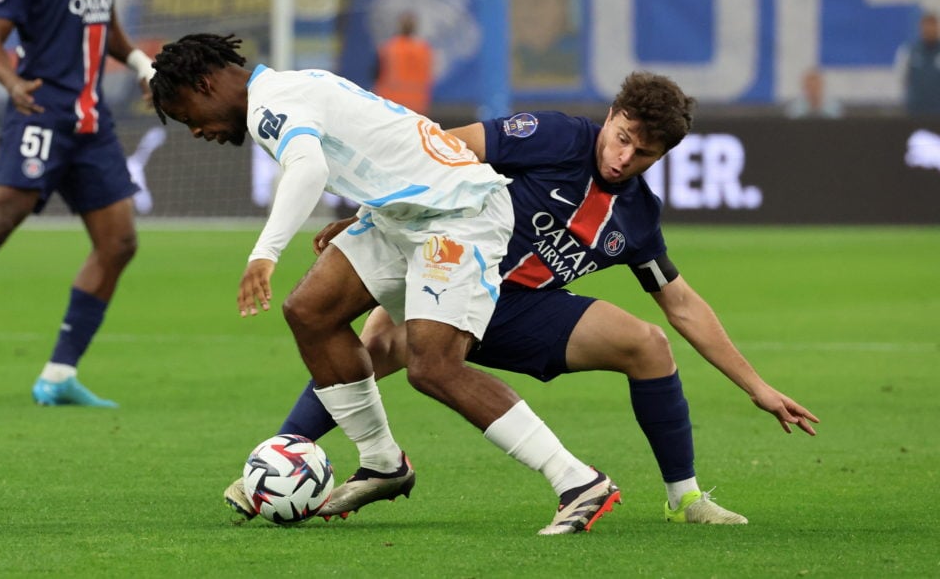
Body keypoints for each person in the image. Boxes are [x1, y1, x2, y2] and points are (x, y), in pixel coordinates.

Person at [228, 72, 820, 525]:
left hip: (517, 310)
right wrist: (371, 209)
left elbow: (683, 302)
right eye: (622, 139)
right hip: (451, 269)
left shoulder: (637, 217)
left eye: (643, 155)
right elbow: (443, 144)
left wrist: (758, 387)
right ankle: (285, 459)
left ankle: (684, 497)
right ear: (611, 116)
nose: (622, 158)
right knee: (374, 338)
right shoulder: (556, 135)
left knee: (649, 343)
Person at [148, 33, 617, 535]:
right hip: (401, 213)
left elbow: (308, 168)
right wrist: (363, 213)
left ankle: (577, 480)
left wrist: (264, 255)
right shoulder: (295, 85)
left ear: (205, 83)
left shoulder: (271, 105)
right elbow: (389, 143)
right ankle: (382, 463)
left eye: (187, 115)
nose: (195, 130)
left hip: (457, 215)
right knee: (310, 310)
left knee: (433, 366)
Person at [0, 0, 155, 407]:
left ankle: (59, 375)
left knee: (119, 242)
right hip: (40, 114)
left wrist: (142, 64)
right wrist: (12, 84)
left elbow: (105, 27)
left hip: (91, 126)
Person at [373, 12, 434, 116]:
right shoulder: (424, 49)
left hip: (390, 103)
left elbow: (376, 73)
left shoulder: (389, 48)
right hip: (417, 104)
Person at [896, 11, 940, 116]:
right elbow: (901, 78)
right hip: (915, 111)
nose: (929, 29)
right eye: (926, 25)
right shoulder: (909, 51)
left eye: (932, 25)